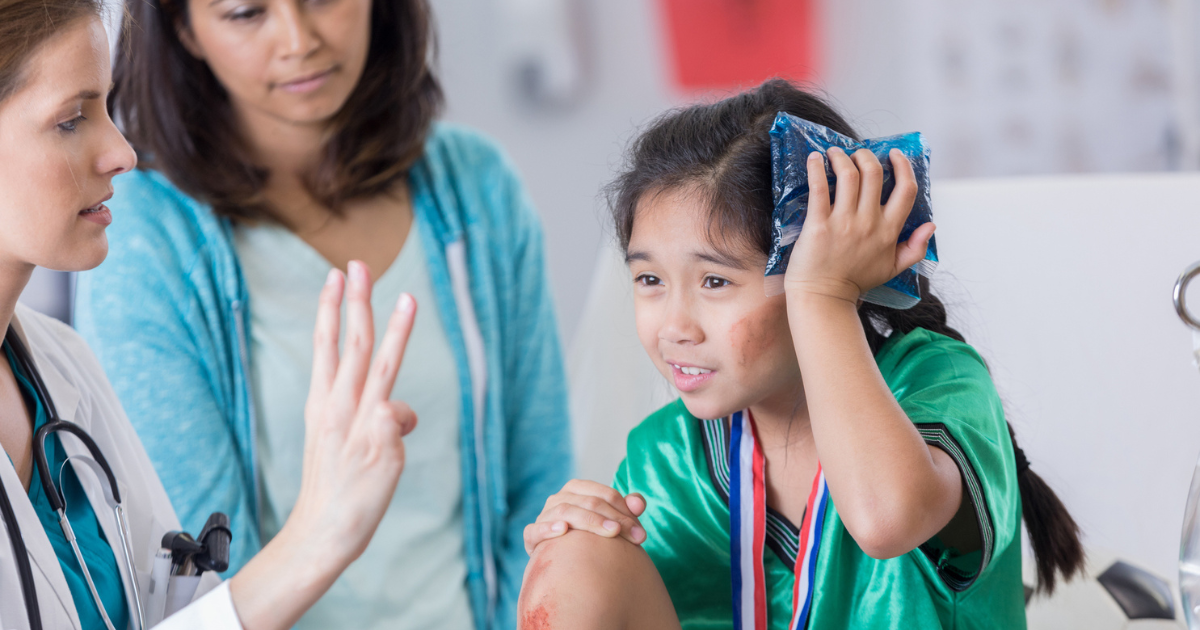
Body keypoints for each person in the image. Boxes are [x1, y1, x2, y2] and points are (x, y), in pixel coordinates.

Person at [72, 0, 571, 626]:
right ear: (184, 29)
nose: (298, 39)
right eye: (248, 13)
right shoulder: (142, 232)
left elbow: (540, 489)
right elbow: (199, 564)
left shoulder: (476, 185)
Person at [516, 80, 1085, 629]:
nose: (674, 326)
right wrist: (565, 552)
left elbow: (886, 519)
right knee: (573, 559)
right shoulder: (665, 454)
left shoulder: (936, 382)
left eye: (714, 281)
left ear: (827, 262)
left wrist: (823, 295)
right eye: (648, 279)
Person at [0, 0, 425, 626]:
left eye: (106, 108)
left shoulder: (63, 366)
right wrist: (313, 540)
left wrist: (326, 527)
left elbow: (174, 610)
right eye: (71, 120)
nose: (123, 152)